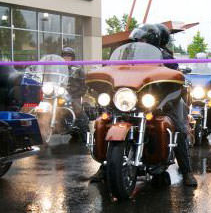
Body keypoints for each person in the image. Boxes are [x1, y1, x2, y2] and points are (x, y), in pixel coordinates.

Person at [90, 24, 197, 187]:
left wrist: (175, 75)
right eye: (138, 39)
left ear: (153, 40)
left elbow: (175, 72)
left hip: (158, 99)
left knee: (179, 127)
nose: (139, 41)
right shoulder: (127, 54)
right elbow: (110, 67)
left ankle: (187, 170)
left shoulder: (165, 57)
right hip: (130, 98)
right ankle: (106, 166)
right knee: (106, 120)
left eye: (143, 39)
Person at [61, 47, 89, 143]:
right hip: (60, 94)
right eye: (64, 56)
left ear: (72, 57)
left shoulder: (78, 69)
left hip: (74, 95)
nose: (66, 58)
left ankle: (85, 132)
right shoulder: (58, 69)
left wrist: (78, 94)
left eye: (68, 56)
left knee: (77, 109)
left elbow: (84, 85)